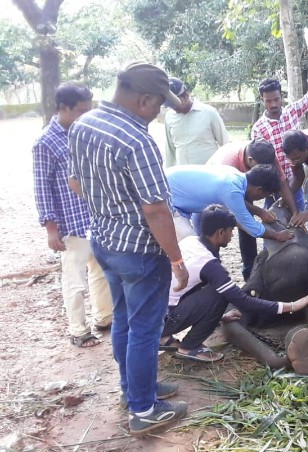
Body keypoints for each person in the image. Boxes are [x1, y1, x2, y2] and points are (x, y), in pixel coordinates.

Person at [67, 61, 190, 436]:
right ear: (143, 99)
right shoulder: (137, 140)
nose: (158, 113)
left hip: (104, 242)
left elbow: (76, 182)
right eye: (158, 106)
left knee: (123, 320)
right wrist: (176, 257)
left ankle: (134, 389)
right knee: (144, 331)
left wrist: (110, 207)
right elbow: (155, 209)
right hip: (140, 252)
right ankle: (144, 409)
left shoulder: (84, 124)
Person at [160, 204, 308, 363]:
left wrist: (219, 316)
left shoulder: (190, 241)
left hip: (153, 313)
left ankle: (163, 337)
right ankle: (189, 347)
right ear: (221, 232)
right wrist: (291, 306)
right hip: (165, 319)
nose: (231, 236)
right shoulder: (210, 265)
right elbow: (242, 301)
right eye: (231, 231)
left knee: (215, 290)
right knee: (221, 294)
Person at [32, 82, 113, 348]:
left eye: (88, 110)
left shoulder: (84, 133)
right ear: (63, 108)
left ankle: (104, 317)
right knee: (74, 280)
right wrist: (51, 228)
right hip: (69, 224)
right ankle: (79, 330)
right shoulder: (45, 142)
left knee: (101, 272)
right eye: (80, 110)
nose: (85, 115)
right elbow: (42, 187)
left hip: (94, 218)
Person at [207, 139, 299, 279]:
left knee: (247, 227)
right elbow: (234, 201)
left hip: (242, 187)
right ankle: (221, 274)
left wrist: (295, 213)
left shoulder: (267, 157)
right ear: (250, 160)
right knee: (215, 232)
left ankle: (252, 272)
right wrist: (260, 212)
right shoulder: (228, 163)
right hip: (216, 193)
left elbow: (283, 183)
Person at [251, 58, 308, 212]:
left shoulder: (292, 111)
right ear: (262, 100)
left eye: (276, 99)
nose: (274, 104)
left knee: (298, 221)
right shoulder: (259, 128)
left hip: (295, 180)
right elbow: (260, 163)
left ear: (281, 96)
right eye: (268, 101)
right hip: (273, 188)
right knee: (275, 222)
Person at [166, 163, 294, 248]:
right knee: (191, 246)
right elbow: (251, 226)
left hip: (172, 187)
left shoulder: (236, 175)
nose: (261, 198)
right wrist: (277, 235)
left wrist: (259, 212)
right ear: (259, 190)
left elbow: (237, 207)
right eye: (265, 196)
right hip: (168, 199)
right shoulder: (231, 190)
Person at [164, 77, 230, 166]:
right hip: (183, 175)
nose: (173, 107)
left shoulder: (209, 113)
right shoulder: (169, 117)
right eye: (170, 105)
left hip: (209, 174)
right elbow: (170, 151)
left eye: (175, 103)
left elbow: (225, 145)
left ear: (186, 95)